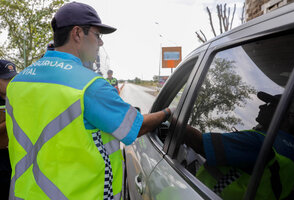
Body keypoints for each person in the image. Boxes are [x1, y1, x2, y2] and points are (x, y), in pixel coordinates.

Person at [5, 2, 172, 200]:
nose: (100, 43)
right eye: (97, 35)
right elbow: (135, 127)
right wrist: (168, 112)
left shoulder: (17, 82)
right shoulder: (90, 85)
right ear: (77, 33)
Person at [184, 91, 294, 200]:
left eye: (269, 104)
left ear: (284, 116)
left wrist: (169, 114)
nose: (261, 106)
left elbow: (199, 143)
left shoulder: (259, 141)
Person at [0, 60, 17, 199]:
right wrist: (10, 118)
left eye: (13, 78)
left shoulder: (17, 98)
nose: (11, 82)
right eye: (6, 79)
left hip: (15, 156)